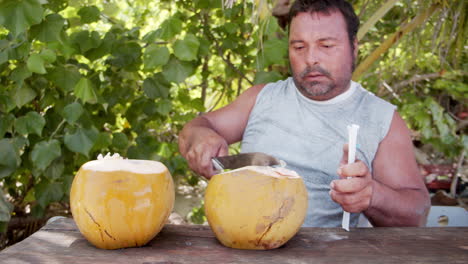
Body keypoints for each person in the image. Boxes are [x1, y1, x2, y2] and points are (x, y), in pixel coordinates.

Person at [178, 0, 430, 227]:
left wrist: (371, 195)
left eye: (326, 45)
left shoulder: (381, 118)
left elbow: (416, 214)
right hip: (242, 245)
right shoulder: (261, 98)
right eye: (299, 47)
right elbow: (198, 126)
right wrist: (200, 136)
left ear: (354, 47)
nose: (311, 58)